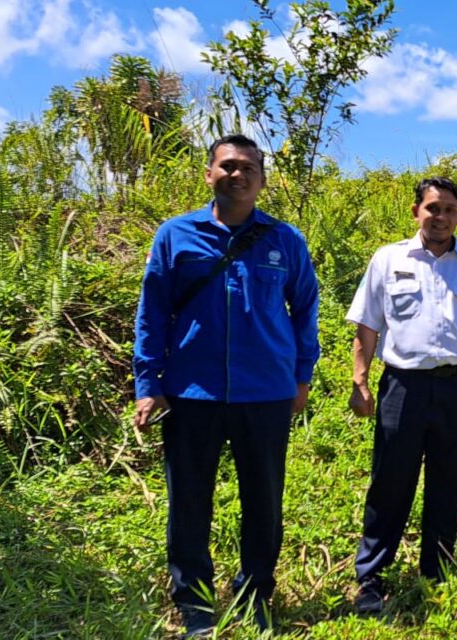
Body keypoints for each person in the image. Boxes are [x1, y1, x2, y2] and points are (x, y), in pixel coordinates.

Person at [132, 134, 320, 636]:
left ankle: (254, 593)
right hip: (193, 393)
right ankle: (194, 603)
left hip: (267, 393)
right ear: (209, 173)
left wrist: (303, 376)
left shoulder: (286, 241)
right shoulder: (176, 236)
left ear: (262, 178)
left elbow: (306, 311)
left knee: (264, 500)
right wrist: (148, 383)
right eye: (227, 166)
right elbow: (151, 313)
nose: (237, 175)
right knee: (189, 502)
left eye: (248, 168)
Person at [347, 176, 457, 614]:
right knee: (390, 482)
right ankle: (371, 580)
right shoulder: (388, 259)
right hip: (404, 386)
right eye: (432, 208)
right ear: (416, 211)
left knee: (449, 480)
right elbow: (367, 324)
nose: (440, 216)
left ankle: (435, 574)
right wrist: (360, 380)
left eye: (449, 210)